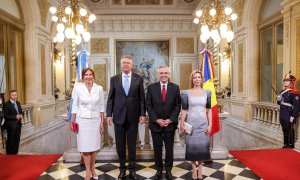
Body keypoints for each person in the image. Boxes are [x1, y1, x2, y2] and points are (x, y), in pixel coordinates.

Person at [106, 55, 146, 179]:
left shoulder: (138, 79)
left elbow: (141, 99)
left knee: (132, 144)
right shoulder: (114, 79)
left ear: (132, 65)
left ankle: (132, 169)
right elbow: (111, 98)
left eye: (128, 63)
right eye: (124, 62)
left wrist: (142, 114)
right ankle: (122, 169)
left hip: (133, 117)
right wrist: (108, 114)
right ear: (120, 64)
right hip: (118, 117)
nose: (126, 64)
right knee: (120, 145)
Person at [146, 66, 181, 180]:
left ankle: (169, 170)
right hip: (156, 124)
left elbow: (177, 105)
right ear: (158, 75)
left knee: (169, 148)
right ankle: (159, 170)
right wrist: (157, 119)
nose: (164, 75)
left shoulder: (175, 88)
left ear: (169, 75)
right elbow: (148, 105)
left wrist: (170, 119)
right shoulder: (151, 87)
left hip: (170, 124)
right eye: (161, 73)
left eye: (166, 73)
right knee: (157, 148)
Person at [70, 67, 105, 180]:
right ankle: (88, 172)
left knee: (94, 147)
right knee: (85, 148)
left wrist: (101, 123)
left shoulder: (99, 88)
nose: (88, 77)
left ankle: (93, 169)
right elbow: (75, 106)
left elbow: (101, 107)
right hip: (82, 121)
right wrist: (72, 120)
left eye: (90, 74)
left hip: (95, 120)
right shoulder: (78, 88)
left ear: (93, 76)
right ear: (83, 76)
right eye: (86, 75)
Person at [180, 70, 212, 180]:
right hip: (191, 124)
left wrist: (210, 124)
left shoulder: (207, 93)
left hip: (203, 124)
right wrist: (181, 123)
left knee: (202, 148)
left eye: (199, 77)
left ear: (202, 79)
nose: (197, 79)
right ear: (192, 80)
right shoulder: (185, 93)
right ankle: (194, 170)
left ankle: (200, 170)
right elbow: (184, 110)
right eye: (194, 77)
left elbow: (209, 109)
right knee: (192, 148)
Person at [276, 72, 300, 148]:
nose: (285, 82)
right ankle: (285, 144)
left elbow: (297, 106)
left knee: (289, 128)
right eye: (284, 80)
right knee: (284, 129)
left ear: (291, 82)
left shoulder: (294, 93)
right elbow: (279, 103)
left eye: (287, 81)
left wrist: (293, 116)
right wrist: (278, 100)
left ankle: (290, 144)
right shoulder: (282, 92)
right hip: (282, 113)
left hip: (288, 113)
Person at [3, 90, 23, 155]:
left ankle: (15, 155)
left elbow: (21, 111)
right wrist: (15, 117)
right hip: (11, 127)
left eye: (15, 95)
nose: (14, 96)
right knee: (10, 142)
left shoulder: (18, 103)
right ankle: (10, 157)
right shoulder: (6, 104)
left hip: (18, 125)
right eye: (13, 95)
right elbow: (5, 116)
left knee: (17, 141)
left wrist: (21, 115)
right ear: (10, 95)